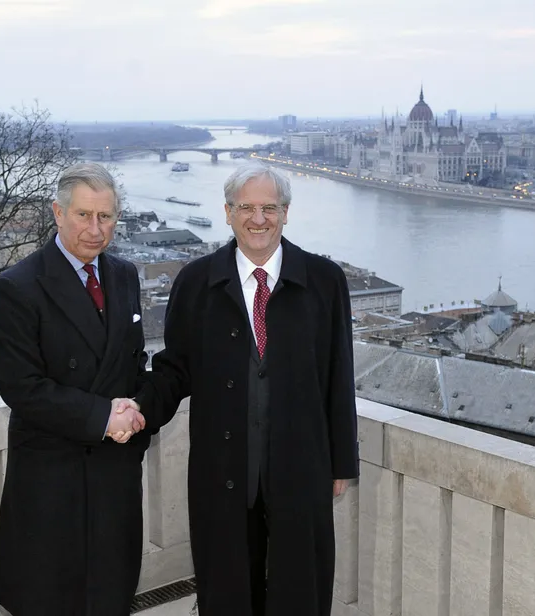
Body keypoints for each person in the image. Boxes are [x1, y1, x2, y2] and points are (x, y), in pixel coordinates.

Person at [136, 162, 360, 616]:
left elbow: (339, 375)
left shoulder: (324, 281)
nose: (258, 219)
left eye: (269, 208)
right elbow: (175, 369)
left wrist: (341, 461)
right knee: (227, 589)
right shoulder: (196, 282)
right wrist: (133, 408)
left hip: (301, 469)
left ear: (286, 212)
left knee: (298, 587)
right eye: (246, 208)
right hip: (222, 470)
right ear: (227, 212)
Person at [0, 162, 149, 616]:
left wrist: (137, 414)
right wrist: (103, 417)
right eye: (83, 215)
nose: (95, 230)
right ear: (57, 213)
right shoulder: (16, 287)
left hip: (113, 470)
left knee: (111, 594)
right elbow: (22, 387)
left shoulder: (124, 275)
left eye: (107, 217)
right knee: (52, 599)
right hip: (52, 476)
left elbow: (134, 364)